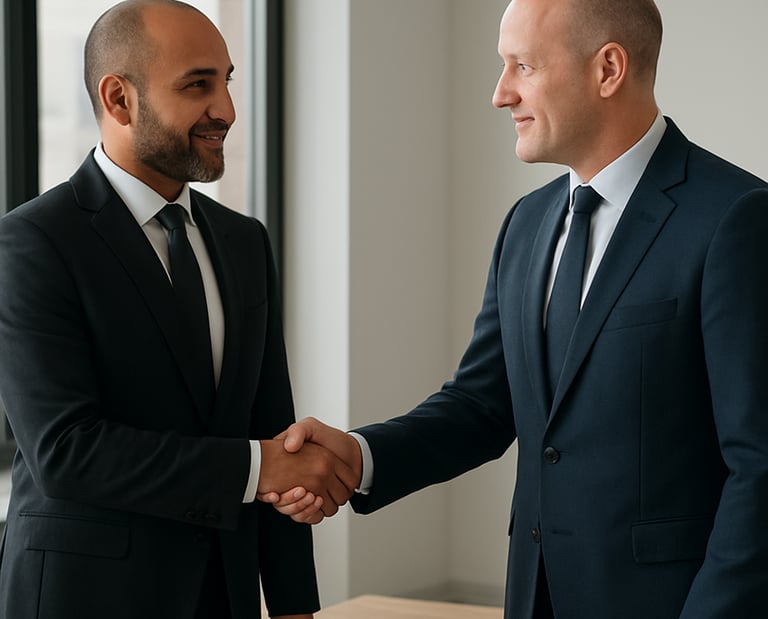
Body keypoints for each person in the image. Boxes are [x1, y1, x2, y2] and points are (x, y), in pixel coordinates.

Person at [261, 0, 768, 617]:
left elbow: (759, 467)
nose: (501, 94)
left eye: (522, 66)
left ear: (607, 69)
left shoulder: (735, 218)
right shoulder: (526, 225)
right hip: (534, 597)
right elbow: (481, 405)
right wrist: (359, 457)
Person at [0, 1, 357, 618]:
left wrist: (297, 605)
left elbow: (274, 431)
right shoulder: (30, 243)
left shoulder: (245, 241)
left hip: (225, 594)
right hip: (84, 599)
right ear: (119, 99)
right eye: (199, 84)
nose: (227, 110)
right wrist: (254, 468)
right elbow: (65, 451)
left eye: (226, 81)